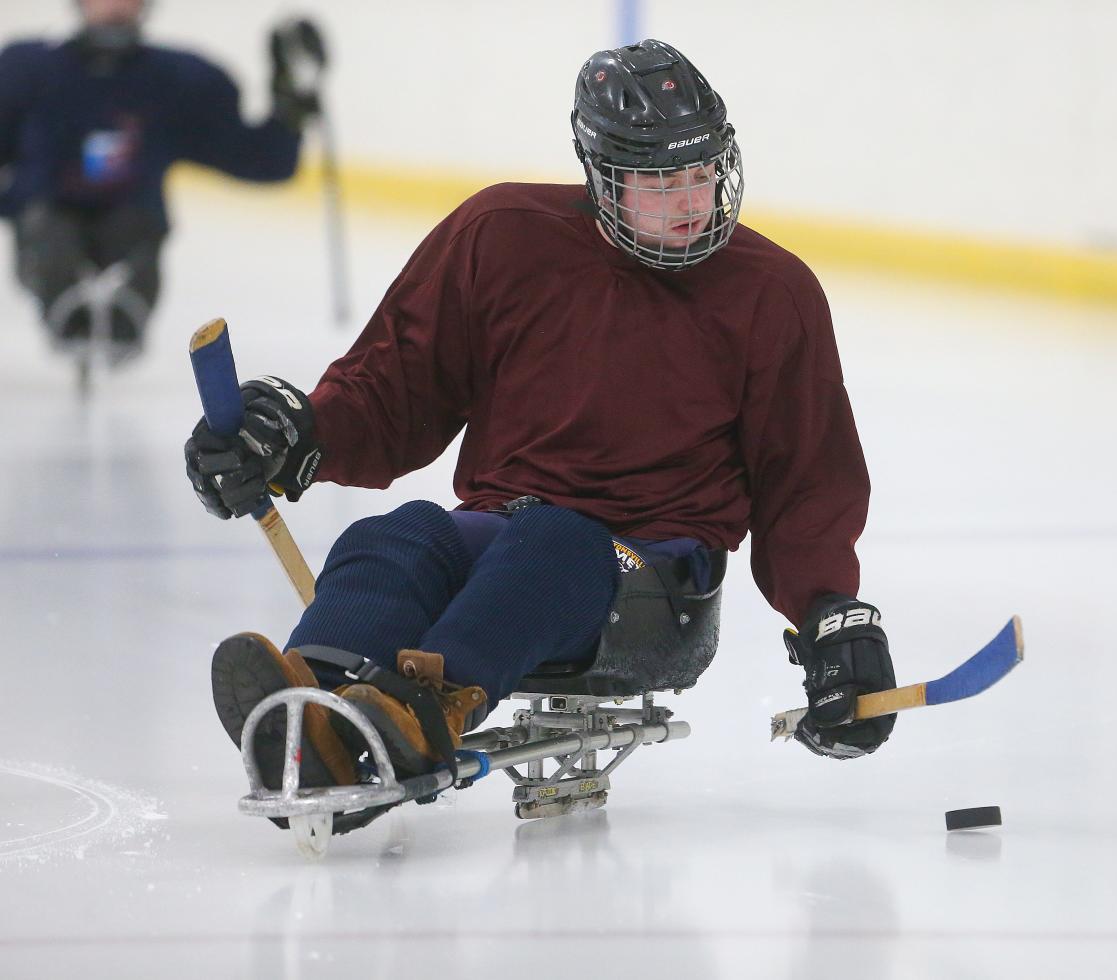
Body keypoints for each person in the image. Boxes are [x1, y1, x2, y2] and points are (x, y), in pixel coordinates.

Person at [185, 39, 897, 805]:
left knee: (551, 542)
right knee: (395, 534)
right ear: (601, 178)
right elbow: (397, 387)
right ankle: (319, 708)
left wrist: (830, 613)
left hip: (656, 575)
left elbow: (806, 479)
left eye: (703, 174)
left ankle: (420, 713)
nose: (693, 202)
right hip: (506, 537)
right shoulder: (501, 235)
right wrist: (302, 438)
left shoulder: (772, 292)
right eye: (662, 183)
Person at [0, 0, 325, 361]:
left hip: (133, 221)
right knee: (49, 233)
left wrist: (291, 94)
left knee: (133, 231)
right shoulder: (26, 72)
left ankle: (125, 314)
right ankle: (67, 310)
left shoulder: (174, 81)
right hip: (46, 224)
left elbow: (263, 159)